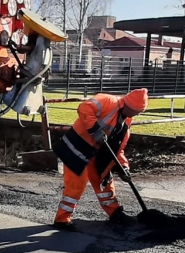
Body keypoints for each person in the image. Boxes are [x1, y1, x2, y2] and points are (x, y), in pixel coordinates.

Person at [52, 89, 149, 231]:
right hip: (77, 148)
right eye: (137, 111)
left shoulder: (125, 123)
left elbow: (118, 149)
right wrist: (95, 129)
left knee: (105, 183)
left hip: (97, 153)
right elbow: (84, 107)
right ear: (128, 106)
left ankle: (115, 213)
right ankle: (62, 219)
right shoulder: (108, 101)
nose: (138, 114)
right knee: (75, 185)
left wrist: (123, 167)